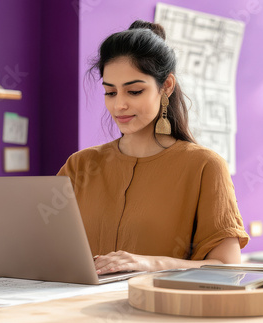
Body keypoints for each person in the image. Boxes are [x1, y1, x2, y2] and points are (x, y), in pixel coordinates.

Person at [57, 20, 249, 276]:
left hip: (158, 310)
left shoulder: (204, 166)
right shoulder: (80, 165)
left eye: (134, 91)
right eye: (110, 93)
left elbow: (228, 267)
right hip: (75, 309)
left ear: (166, 86)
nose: (119, 105)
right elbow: (44, 244)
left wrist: (152, 263)